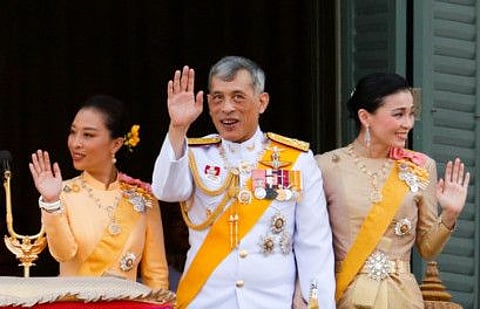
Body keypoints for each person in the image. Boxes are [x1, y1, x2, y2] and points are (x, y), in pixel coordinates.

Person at [151, 56, 335, 308]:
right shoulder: (194, 154)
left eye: (238, 97)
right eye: (218, 98)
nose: (227, 107)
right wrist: (177, 128)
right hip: (206, 301)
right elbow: (166, 190)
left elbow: (314, 244)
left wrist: (315, 302)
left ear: (262, 102)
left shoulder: (296, 160)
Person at [315, 72, 470, 308]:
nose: (407, 124)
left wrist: (449, 214)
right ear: (365, 117)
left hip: (402, 297)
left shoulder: (420, 166)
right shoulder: (325, 166)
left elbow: (428, 250)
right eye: (398, 114)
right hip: (347, 295)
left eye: (411, 114)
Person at [29, 95, 169, 290]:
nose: (76, 143)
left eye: (88, 135)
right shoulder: (62, 192)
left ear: (116, 144)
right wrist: (51, 201)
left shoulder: (142, 197)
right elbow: (63, 253)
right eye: (73, 132)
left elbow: (156, 276)